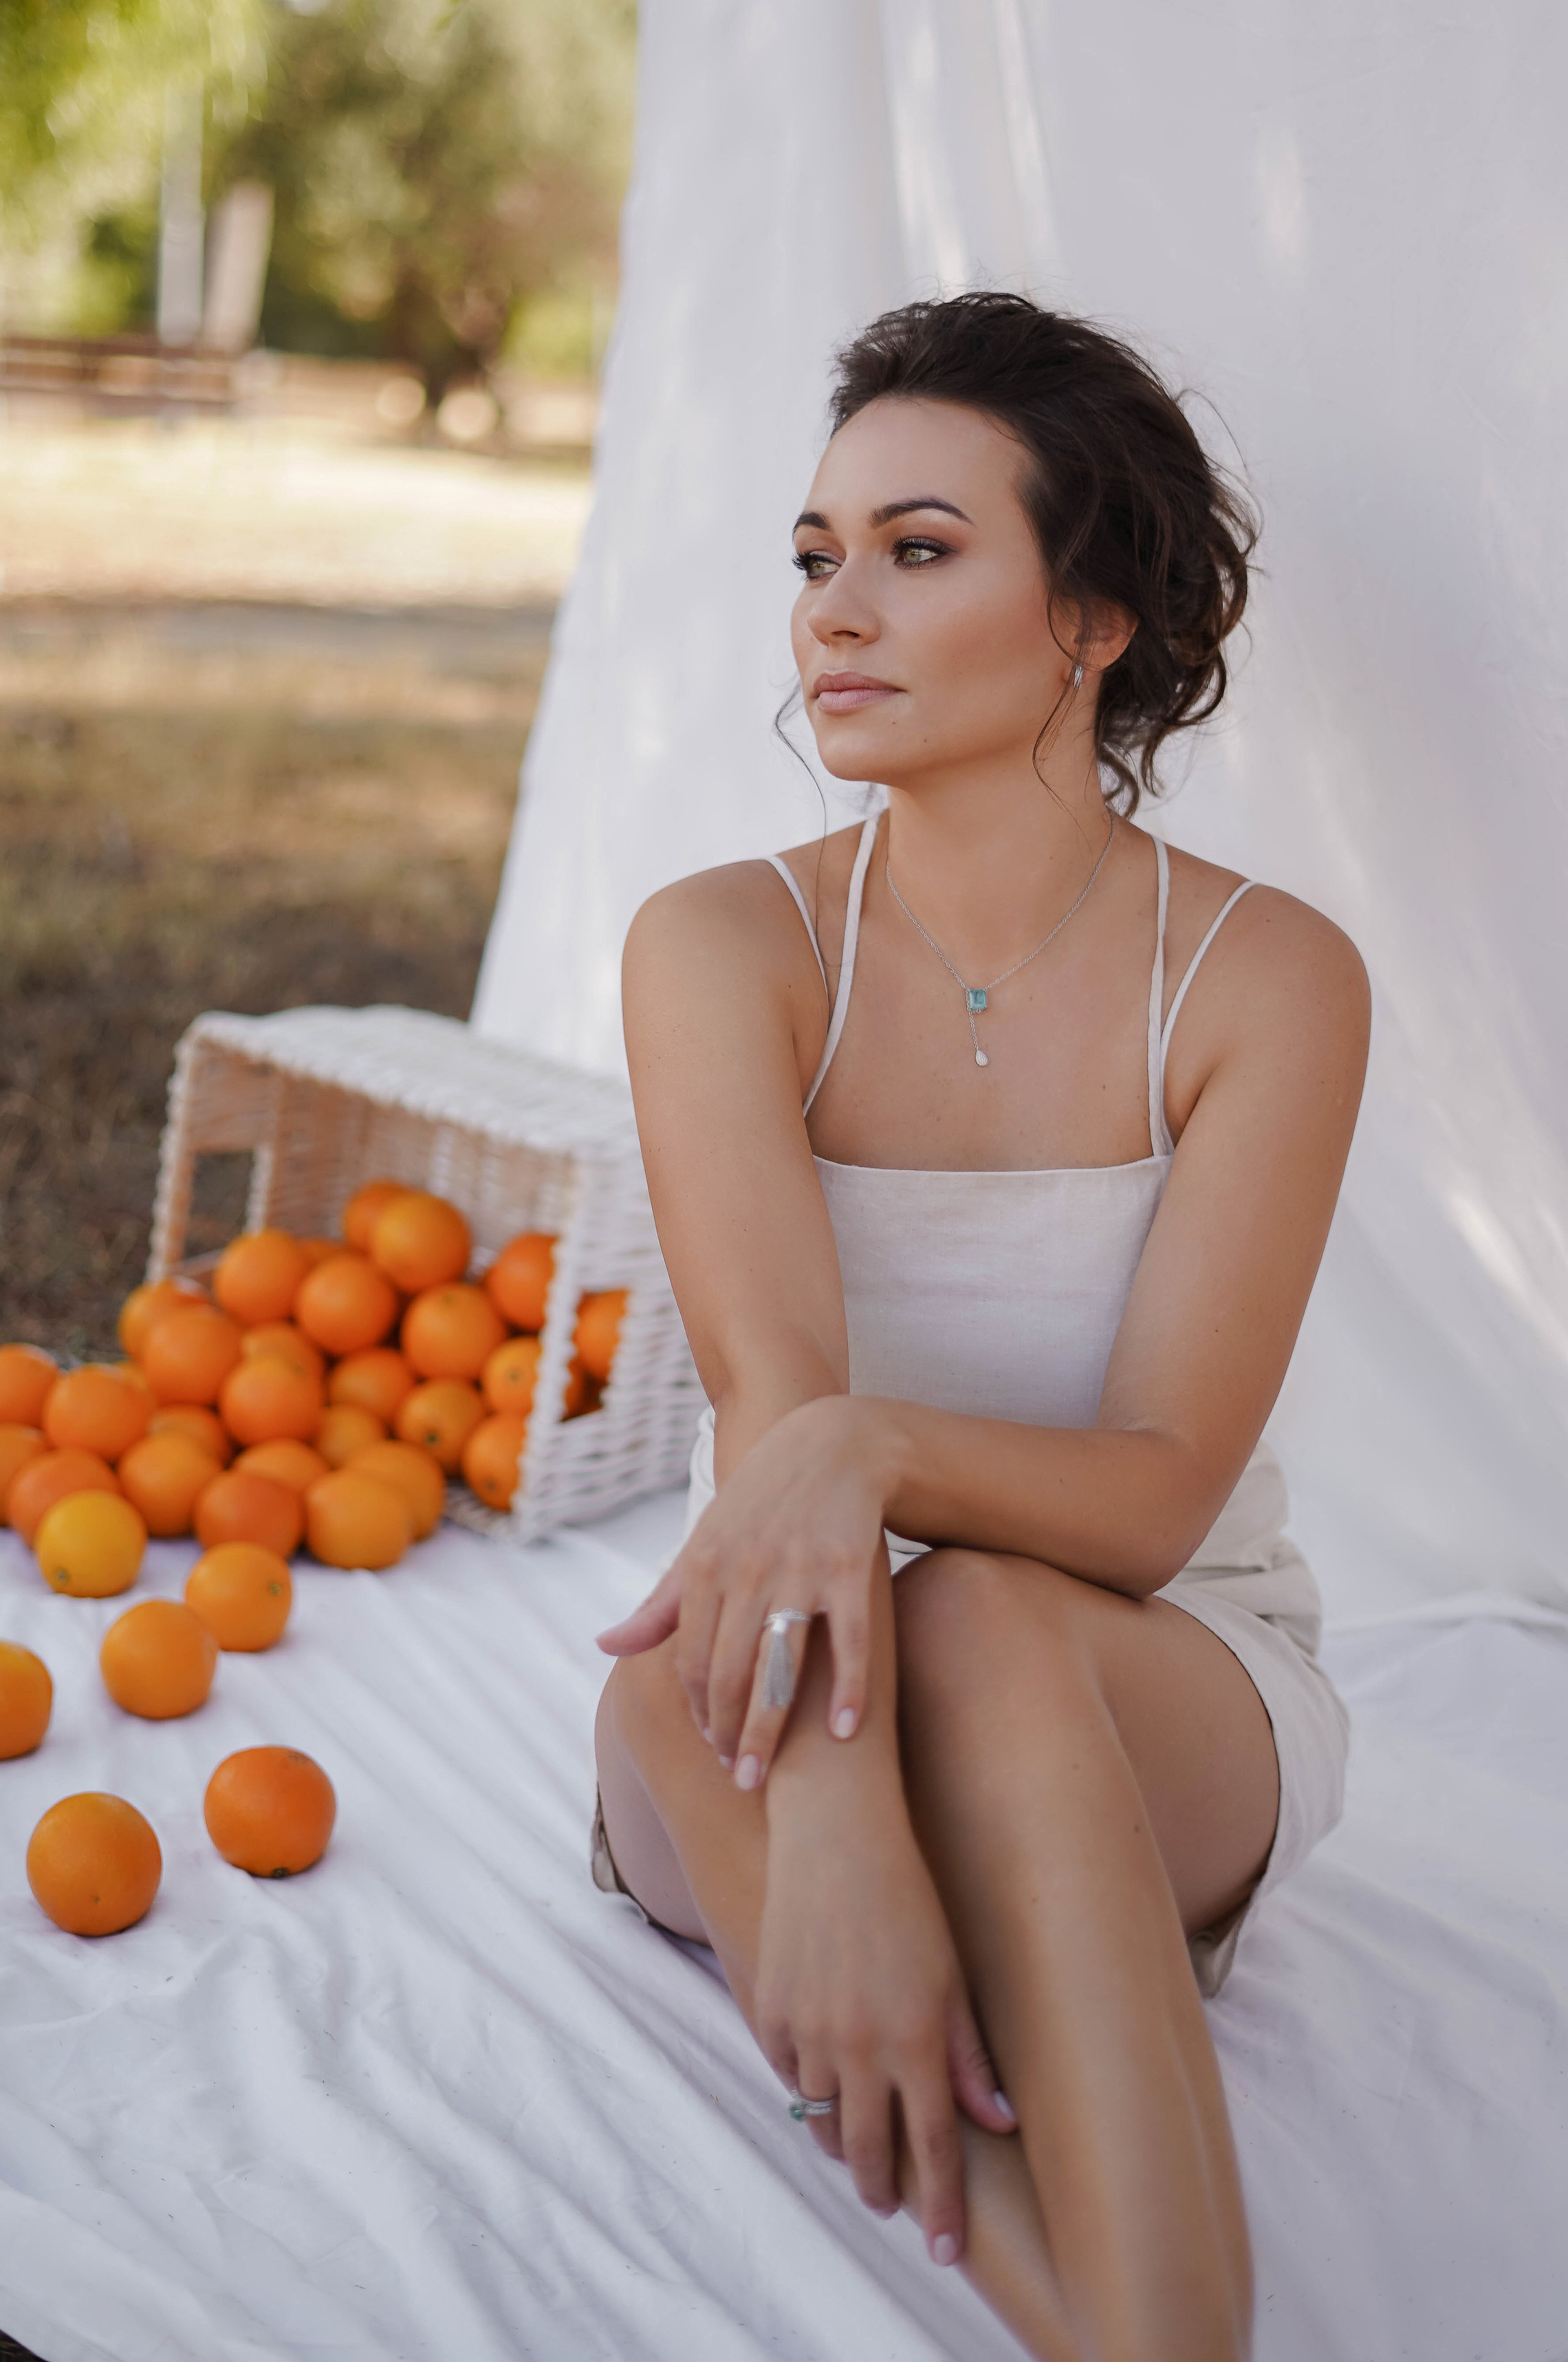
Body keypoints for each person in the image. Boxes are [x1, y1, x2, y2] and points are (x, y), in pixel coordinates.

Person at [590, 294, 1367, 2362]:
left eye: (920, 551)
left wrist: (873, 1451)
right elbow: (777, 1401)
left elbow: (1148, 1500)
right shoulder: (720, 946)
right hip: (765, 1691)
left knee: (998, 1620)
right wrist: (835, 1814)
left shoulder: (1267, 980)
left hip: (1147, 1680)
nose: (837, 608)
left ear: (1094, 616)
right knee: (671, 1677)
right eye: (817, 554)